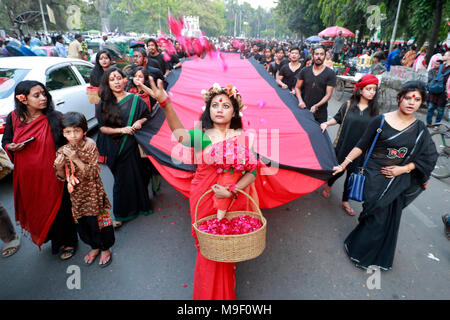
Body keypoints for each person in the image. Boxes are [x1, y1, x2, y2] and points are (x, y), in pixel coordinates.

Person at [143, 78, 259, 300]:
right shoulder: (201, 136)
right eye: (215, 104)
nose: (219, 109)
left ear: (235, 112)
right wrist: (165, 103)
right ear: (208, 109)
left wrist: (232, 190)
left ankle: (226, 285)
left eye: (226, 105)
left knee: (227, 245)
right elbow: (180, 136)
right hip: (204, 197)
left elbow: (251, 173)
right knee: (208, 247)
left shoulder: (244, 138)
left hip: (230, 198)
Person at [332, 80, 438, 270]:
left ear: (421, 103)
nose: (411, 102)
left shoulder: (420, 129)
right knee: (372, 214)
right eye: (407, 98)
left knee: (384, 219)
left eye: (417, 99)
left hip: (398, 178)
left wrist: (404, 169)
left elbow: (429, 156)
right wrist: (344, 164)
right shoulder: (380, 121)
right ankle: (359, 249)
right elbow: (361, 145)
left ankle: (371, 254)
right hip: (374, 175)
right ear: (399, 98)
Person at [1, 80, 78, 259]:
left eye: (44, 94)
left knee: (60, 208)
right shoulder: (13, 118)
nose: (43, 98)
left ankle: (69, 241)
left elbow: (70, 143)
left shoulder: (55, 117)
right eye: (37, 96)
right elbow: (6, 141)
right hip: (27, 177)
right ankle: (53, 238)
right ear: (23, 99)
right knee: (39, 209)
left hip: (54, 175)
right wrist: (11, 147)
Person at [54, 112, 114, 267]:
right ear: (63, 133)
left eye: (76, 131)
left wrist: (75, 159)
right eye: (68, 132)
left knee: (98, 222)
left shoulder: (89, 145)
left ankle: (105, 248)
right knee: (83, 224)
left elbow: (94, 173)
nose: (72, 135)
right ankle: (94, 247)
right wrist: (59, 166)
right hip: (76, 195)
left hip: (93, 192)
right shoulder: (62, 150)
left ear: (84, 131)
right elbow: (61, 177)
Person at [96, 67, 153, 228]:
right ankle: (121, 214)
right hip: (115, 147)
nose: (116, 82)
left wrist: (139, 122)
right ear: (108, 83)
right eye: (112, 79)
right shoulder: (104, 103)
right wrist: (121, 130)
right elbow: (102, 128)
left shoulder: (136, 100)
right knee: (120, 181)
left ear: (124, 80)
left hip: (133, 145)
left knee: (138, 176)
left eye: (119, 78)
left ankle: (141, 206)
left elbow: (146, 116)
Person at [320, 74, 380, 216]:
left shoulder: (375, 111)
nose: (372, 92)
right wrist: (327, 123)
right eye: (369, 88)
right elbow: (337, 118)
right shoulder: (348, 105)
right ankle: (328, 185)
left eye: (374, 89)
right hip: (343, 146)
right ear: (360, 90)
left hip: (360, 152)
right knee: (337, 171)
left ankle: (345, 200)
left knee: (352, 176)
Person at [295, 45, 337, 123]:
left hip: (320, 113)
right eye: (316, 54)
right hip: (304, 109)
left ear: (325, 56)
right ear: (312, 55)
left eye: (321, 54)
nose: (319, 57)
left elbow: (328, 95)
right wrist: (300, 101)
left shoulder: (330, 73)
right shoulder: (304, 71)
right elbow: (297, 87)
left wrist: (316, 106)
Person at [426, 51, 450, 127]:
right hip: (434, 90)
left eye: (445, 55)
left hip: (443, 92)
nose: (443, 56)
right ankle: (428, 123)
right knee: (430, 107)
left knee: (440, 110)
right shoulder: (441, 66)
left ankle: (437, 124)